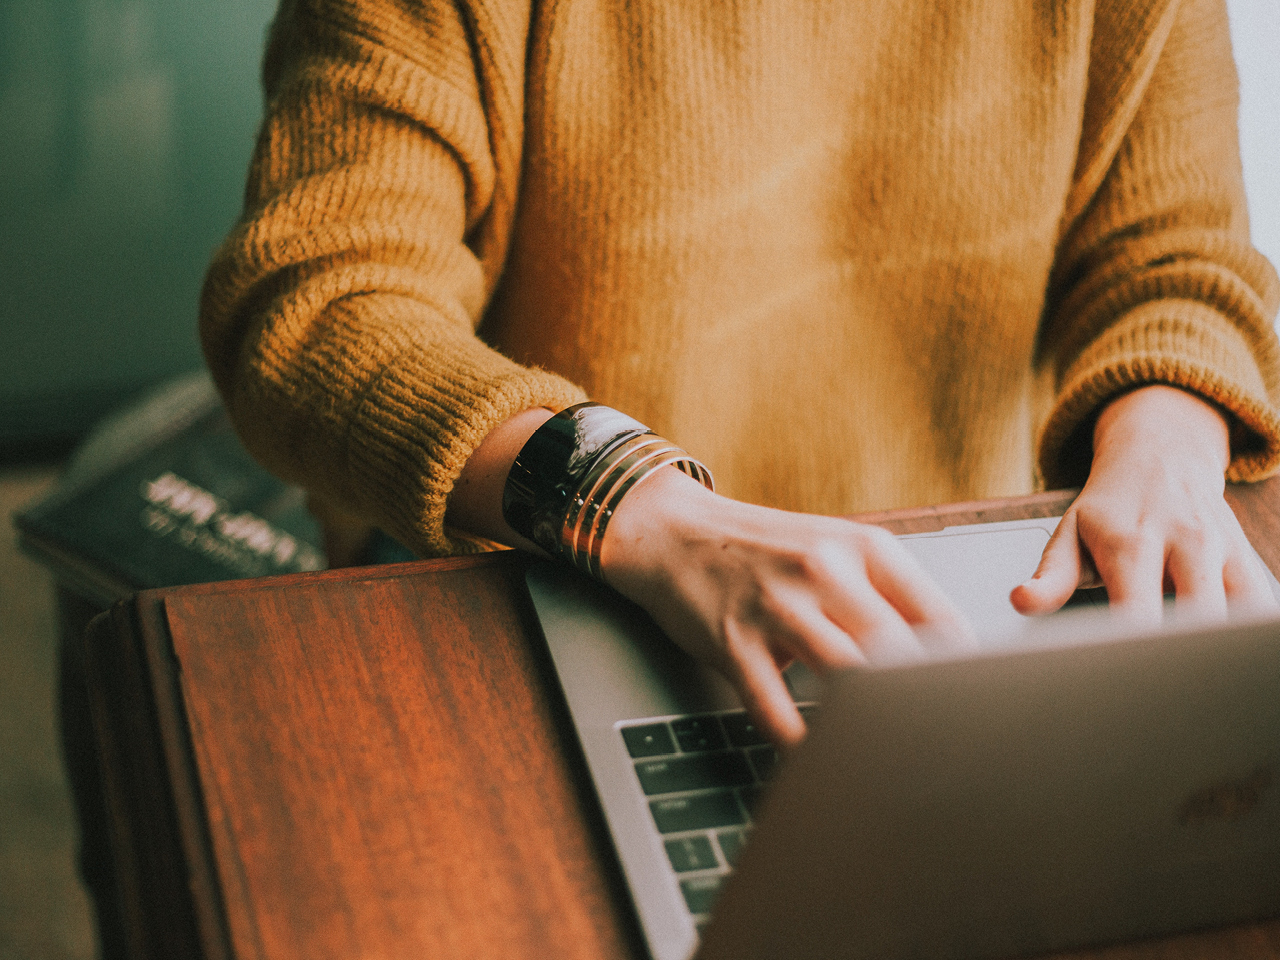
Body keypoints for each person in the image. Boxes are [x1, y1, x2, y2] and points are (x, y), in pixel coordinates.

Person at [201, 0, 1280, 747]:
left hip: (953, 605)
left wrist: (1169, 433)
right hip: (544, 571)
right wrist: (636, 507)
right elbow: (315, 303)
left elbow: (1174, 254)